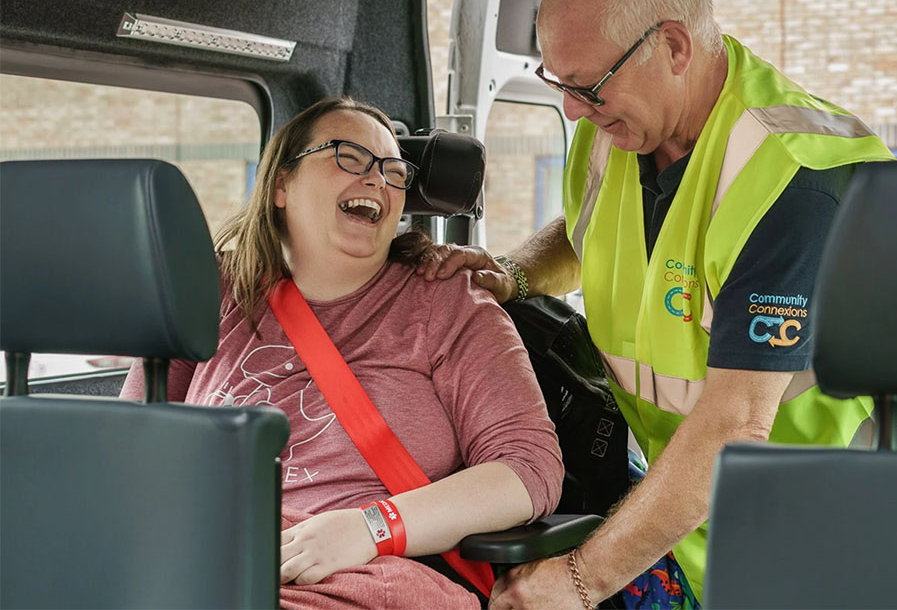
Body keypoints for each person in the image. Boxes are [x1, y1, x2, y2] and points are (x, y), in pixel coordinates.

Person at [418, 0, 897, 609]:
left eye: (587, 86)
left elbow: (735, 422)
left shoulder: (794, 179)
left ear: (672, 46)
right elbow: (591, 232)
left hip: (821, 536)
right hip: (680, 522)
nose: (571, 110)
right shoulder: (612, 131)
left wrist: (580, 580)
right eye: (558, 83)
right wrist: (515, 275)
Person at [120, 97, 564, 609]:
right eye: (348, 156)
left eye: (394, 170)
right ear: (281, 184)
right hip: (199, 561)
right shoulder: (212, 293)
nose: (378, 179)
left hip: (362, 574)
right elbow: (132, 451)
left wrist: (370, 527)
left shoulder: (447, 303)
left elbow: (528, 469)